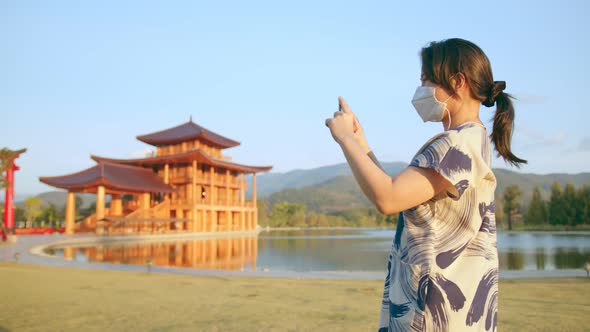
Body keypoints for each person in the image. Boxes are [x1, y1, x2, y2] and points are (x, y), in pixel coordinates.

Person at [325, 38, 525, 332]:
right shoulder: (472, 140)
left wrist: (344, 139)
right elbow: (400, 192)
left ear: (457, 82)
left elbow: (388, 198)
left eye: (426, 80)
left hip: (432, 313)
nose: (421, 90)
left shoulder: (455, 144)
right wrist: (360, 142)